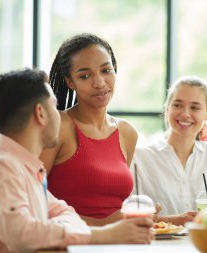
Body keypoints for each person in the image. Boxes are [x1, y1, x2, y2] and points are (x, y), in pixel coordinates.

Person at [0, 69, 152, 253]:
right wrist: (106, 234)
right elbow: (23, 233)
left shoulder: (26, 169)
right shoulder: (1, 168)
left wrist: (49, 229)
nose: (60, 114)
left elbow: (66, 213)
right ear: (41, 113)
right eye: (54, 105)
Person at [40, 33, 138, 226]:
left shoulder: (127, 132)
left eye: (106, 70)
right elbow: (32, 201)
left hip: (121, 242)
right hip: (72, 243)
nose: (100, 83)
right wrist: (104, 226)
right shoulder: (59, 126)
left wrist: (171, 219)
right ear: (70, 82)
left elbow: (117, 210)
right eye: (85, 76)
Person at [132, 76, 207, 225]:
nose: (185, 113)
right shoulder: (140, 157)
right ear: (167, 108)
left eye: (195, 107)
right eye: (178, 105)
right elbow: (130, 214)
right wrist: (171, 220)